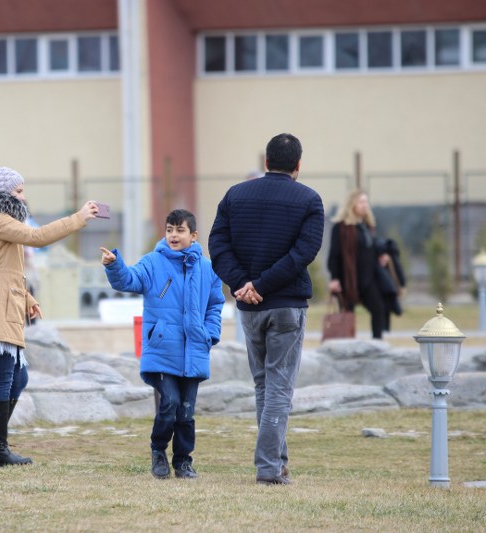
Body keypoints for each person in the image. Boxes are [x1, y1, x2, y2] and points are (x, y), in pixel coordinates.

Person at [0, 166, 100, 467]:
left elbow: (3, 271)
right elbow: (37, 236)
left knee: (19, 377)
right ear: (1, 193)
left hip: (4, 305)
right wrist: (78, 218)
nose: (23, 195)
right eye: (18, 190)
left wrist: (28, 299)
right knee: (4, 379)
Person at [208, 133, 324, 485]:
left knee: (263, 385)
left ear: (266, 162)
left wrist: (244, 283)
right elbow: (303, 254)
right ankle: (269, 468)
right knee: (279, 387)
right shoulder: (309, 200)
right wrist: (261, 285)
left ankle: (277, 461)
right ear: (298, 165)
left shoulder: (235, 195)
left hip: (249, 308)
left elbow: (217, 244)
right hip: (286, 305)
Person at [100, 209, 224, 480]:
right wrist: (113, 265)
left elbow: (215, 304)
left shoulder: (207, 268)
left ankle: (182, 461)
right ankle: (158, 452)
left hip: (195, 350)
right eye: (169, 229)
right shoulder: (153, 262)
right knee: (169, 404)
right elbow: (129, 280)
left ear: (193, 235)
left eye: (179, 230)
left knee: (186, 412)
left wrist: (210, 333)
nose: (173, 235)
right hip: (162, 350)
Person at [326, 190, 391, 339]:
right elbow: (334, 254)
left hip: (368, 279)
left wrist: (382, 257)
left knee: (378, 308)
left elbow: (370, 248)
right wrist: (334, 278)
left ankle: (377, 345)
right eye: (361, 202)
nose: (365, 205)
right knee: (347, 315)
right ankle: (347, 348)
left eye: (366, 202)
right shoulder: (341, 227)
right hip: (347, 279)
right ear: (352, 204)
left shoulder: (367, 226)